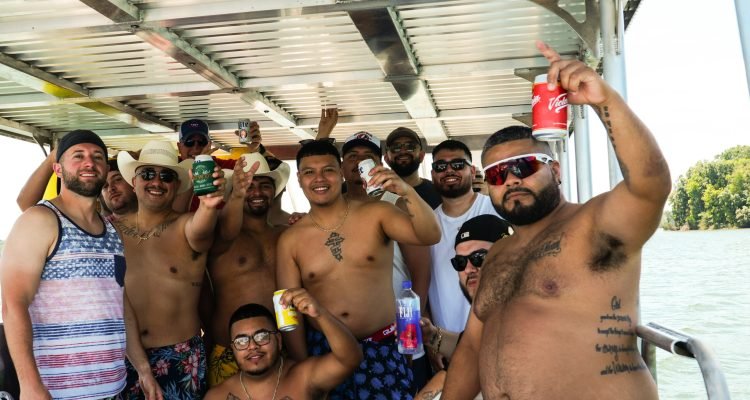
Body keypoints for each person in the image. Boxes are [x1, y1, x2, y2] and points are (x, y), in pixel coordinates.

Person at [441, 41, 671, 400]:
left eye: (524, 166)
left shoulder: (593, 226)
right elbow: (472, 347)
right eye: (498, 175)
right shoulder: (498, 254)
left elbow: (650, 185)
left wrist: (604, 100)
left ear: (556, 170)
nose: (512, 180)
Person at [0, 130, 160, 399]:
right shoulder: (40, 220)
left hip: (113, 387)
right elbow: (12, 303)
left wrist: (143, 369)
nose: (90, 162)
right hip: (56, 391)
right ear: (58, 169)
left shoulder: (111, 231)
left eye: (98, 156)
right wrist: (29, 385)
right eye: (79, 156)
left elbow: (120, 302)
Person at [276, 140, 440, 399]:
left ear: (341, 171)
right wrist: (302, 366)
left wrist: (407, 192)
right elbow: (289, 311)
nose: (320, 179)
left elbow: (430, 234)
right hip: (326, 354)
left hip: (383, 344)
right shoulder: (291, 239)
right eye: (309, 172)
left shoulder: (377, 212)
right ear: (298, 178)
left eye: (328, 170)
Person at [114, 140, 233, 399]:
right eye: (147, 174)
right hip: (120, 356)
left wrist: (209, 204)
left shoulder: (186, 226)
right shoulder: (110, 230)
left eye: (166, 176)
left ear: (177, 185)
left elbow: (202, 228)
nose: (156, 182)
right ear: (134, 181)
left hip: (180, 357)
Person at [205, 152, 291, 387]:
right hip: (231, 352)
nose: (257, 192)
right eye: (248, 186)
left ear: (275, 192)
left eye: (265, 186)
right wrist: (236, 194)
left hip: (280, 349)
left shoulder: (285, 234)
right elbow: (227, 230)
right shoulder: (221, 234)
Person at [415, 215, 511, 400]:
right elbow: (475, 346)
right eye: (460, 262)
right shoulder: (485, 312)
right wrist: (433, 336)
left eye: (479, 257)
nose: (468, 269)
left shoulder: (530, 307)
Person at [203, 289, 363, 400]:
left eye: (262, 336)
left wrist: (320, 314)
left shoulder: (305, 377)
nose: (252, 346)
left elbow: (350, 359)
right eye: (241, 341)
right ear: (233, 350)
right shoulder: (217, 396)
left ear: (279, 341)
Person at [427, 139, 501, 360]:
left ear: (473, 169)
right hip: (448, 346)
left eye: (458, 164)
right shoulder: (426, 225)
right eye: (441, 166)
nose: (449, 170)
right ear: (432, 175)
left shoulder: (498, 210)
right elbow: (420, 283)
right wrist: (434, 342)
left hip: (498, 338)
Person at [384, 127, 442, 209]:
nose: (403, 151)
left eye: (410, 146)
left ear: (421, 156)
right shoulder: (376, 194)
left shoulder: (439, 192)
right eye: (395, 148)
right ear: (386, 159)